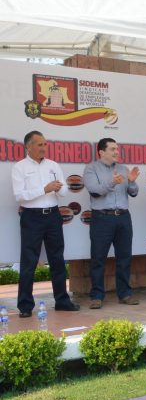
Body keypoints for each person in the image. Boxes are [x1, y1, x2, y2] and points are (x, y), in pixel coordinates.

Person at [11, 130, 79, 317]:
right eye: (39, 144)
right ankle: (25, 306)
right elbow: (20, 196)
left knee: (57, 259)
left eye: (45, 144)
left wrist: (59, 188)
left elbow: (64, 191)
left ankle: (62, 301)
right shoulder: (20, 167)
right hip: (31, 217)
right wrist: (45, 188)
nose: (43, 148)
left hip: (53, 216)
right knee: (29, 262)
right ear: (29, 146)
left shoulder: (53, 165)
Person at [82, 138, 140, 309]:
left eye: (117, 148)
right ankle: (97, 296)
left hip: (123, 217)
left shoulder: (123, 169)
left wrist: (131, 181)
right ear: (101, 152)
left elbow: (134, 192)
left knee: (124, 257)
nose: (116, 152)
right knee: (98, 258)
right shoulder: (91, 169)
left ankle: (125, 294)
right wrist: (112, 182)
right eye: (113, 149)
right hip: (102, 218)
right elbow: (95, 190)